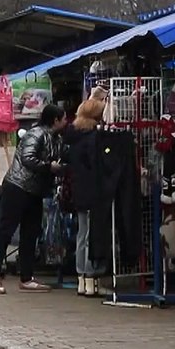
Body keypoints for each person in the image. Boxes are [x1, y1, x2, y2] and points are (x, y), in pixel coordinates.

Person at [0, 103, 67, 294]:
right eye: (64, 118)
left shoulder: (56, 138)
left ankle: (27, 277)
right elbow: (27, 158)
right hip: (18, 186)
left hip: (35, 190)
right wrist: (49, 167)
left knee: (30, 232)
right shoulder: (36, 134)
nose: (66, 122)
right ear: (55, 120)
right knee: (6, 230)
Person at [63, 96, 106, 297]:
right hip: (93, 190)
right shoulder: (93, 139)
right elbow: (96, 167)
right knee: (90, 234)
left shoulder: (74, 138)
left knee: (82, 234)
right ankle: (90, 276)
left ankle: (82, 277)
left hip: (78, 190)